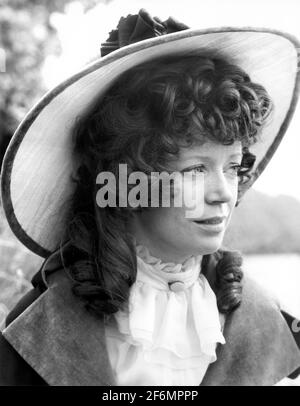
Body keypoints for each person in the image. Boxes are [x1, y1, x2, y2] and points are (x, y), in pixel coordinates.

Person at [0, 9, 300, 386]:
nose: (224, 192)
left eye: (233, 166)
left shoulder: (266, 321)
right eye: (196, 169)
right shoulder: (44, 327)